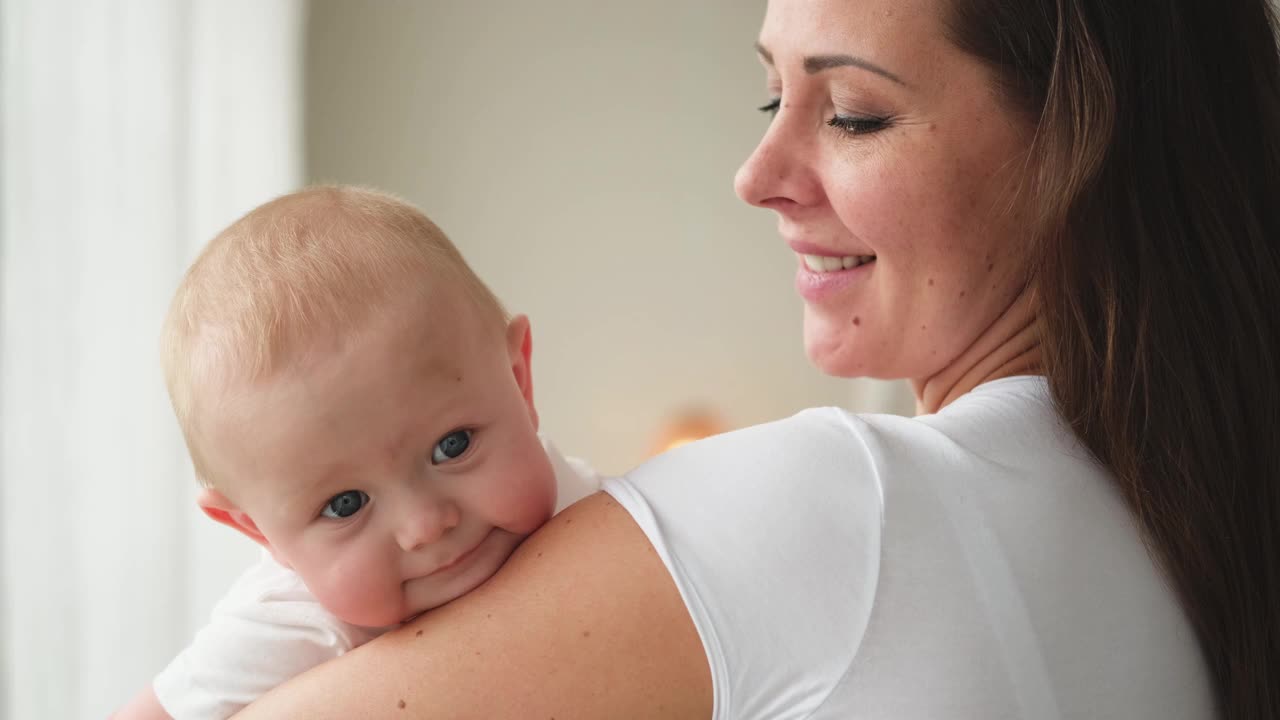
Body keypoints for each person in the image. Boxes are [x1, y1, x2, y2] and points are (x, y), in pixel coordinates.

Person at [233, 0, 1280, 717]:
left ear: (1074, 145)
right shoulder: (1175, 519)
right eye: (771, 98)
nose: (757, 173)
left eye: (853, 114)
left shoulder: (839, 509)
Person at [111, 186, 602, 719]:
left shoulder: (593, 510)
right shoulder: (295, 620)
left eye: (451, 446)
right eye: (345, 504)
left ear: (518, 380)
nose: (425, 525)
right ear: (257, 531)